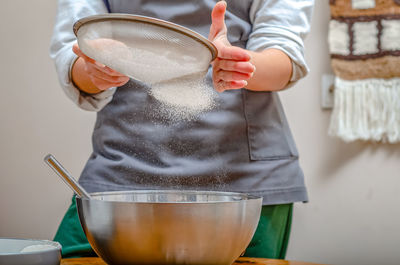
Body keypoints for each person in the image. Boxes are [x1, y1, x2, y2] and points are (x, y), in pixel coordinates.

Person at [50, 0, 314, 260]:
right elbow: (73, 51)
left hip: (244, 183)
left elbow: (283, 52)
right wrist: (95, 68)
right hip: (120, 178)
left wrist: (239, 65)